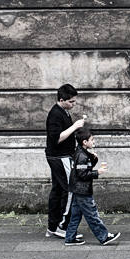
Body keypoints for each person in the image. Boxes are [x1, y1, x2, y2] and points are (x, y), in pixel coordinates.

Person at [64, 128, 121, 246]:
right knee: (92, 214)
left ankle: (70, 237)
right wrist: (97, 172)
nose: (93, 142)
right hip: (82, 190)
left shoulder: (79, 153)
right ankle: (103, 237)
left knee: (75, 216)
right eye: (91, 140)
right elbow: (83, 174)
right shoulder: (82, 156)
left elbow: (84, 168)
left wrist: (93, 159)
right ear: (85, 142)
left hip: (76, 189)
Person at [45, 84, 85, 239]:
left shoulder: (64, 111)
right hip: (59, 157)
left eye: (75, 101)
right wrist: (74, 126)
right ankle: (62, 226)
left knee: (57, 191)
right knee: (69, 190)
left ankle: (52, 226)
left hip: (59, 156)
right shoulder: (55, 114)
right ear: (61, 100)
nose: (74, 105)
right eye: (71, 102)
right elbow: (56, 138)